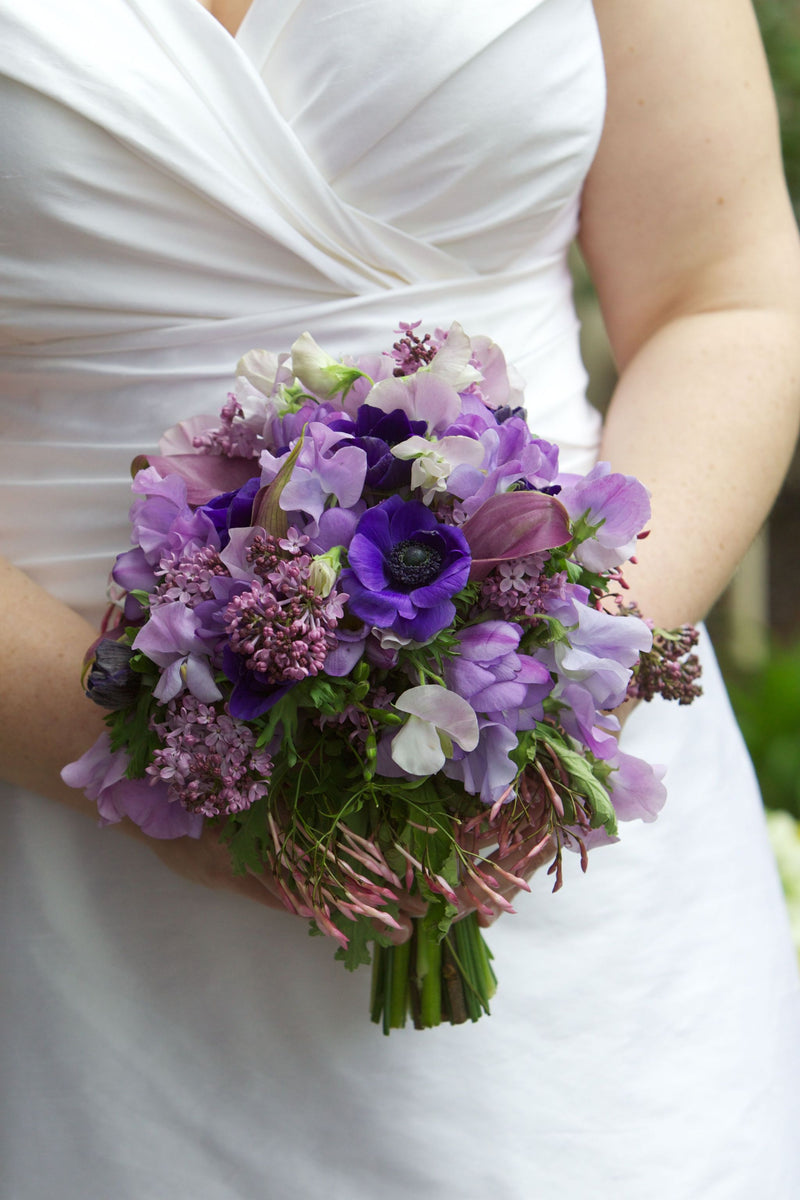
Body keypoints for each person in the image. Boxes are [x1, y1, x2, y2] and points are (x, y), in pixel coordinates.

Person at [2, 1, 799, 1196]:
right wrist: (151, 767)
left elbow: (721, 298)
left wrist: (560, 666)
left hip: (554, 819)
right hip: (63, 831)